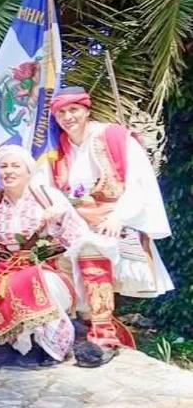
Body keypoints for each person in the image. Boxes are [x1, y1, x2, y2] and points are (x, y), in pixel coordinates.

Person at [46, 86, 174, 363]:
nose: (68, 117)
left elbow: (140, 182)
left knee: (91, 249)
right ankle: (73, 328)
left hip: (117, 222)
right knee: (44, 262)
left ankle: (104, 336)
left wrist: (120, 216)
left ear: (86, 110)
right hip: (76, 226)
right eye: (61, 112)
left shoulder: (113, 136)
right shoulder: (59, 149)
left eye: (73, 109)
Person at [0, 145, 86, 365]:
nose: (9, 171)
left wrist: (58, 220)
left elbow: (78, 233)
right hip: (6, 270)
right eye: (3, 166)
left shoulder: (47, 196)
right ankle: (26, 343)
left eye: (15, 166)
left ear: (29, 171)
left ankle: (51, 347)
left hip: (46, 266)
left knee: (36, 284)